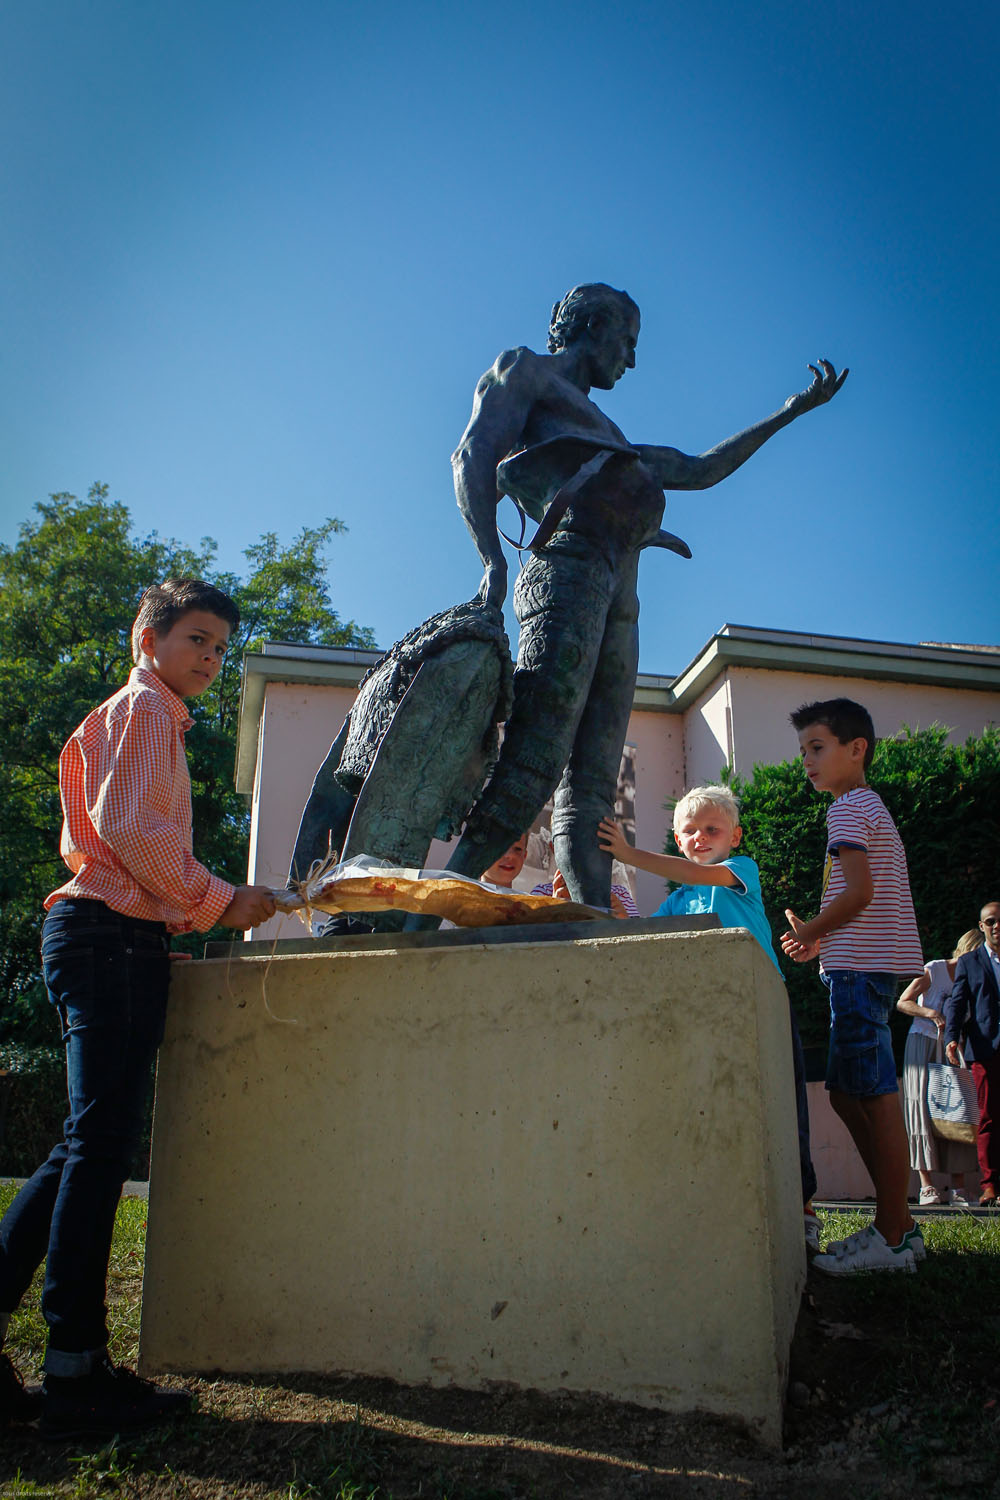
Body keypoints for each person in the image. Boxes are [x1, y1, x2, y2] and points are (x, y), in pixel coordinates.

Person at [444, 282, 847, 909]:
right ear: (591, 325)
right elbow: (472, 455)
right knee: (536, 755)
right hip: (566, 575)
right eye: (626, 341)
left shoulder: (612, 435)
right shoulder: (525, 371)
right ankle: (438, 902)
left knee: (593, 787)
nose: (630, 360)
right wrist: (491, 561)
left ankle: (595, 922)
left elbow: (700, 468)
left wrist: (791, 409)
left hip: (620, 602)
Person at [0, 579, 277, 1438]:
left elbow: (125, 833)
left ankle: (72, 1361)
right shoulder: (146, 710)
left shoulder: (139, 713)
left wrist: (179, 913)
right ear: (146, 637)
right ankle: (76, 1370)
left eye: (221, 648)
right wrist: (220, 899)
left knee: (86, 1143)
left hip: (107, 937)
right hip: (107, 937)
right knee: (99, 1147)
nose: (210, 658)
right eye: (198, 638)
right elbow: (129, 827)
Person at [599, 784, 819, 1249]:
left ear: (734, 838)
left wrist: (627, 853)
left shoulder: (740, 871)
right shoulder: (678, 901)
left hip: (762, 1003)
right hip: (713, 1014)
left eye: (712, 829)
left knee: (783, 1100)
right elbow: (647, 936)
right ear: (678, 841)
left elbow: (694, 875)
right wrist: (615, 914)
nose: (701, 837)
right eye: (690, 831)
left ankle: (803, 1208)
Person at [782, 699, 924, 1274]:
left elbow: (860, 893)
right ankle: (901, 1223)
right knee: (845, 1092)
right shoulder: (870, 806)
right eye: (803, 752)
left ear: (855, 748)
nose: (807, 762)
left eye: (817, 748)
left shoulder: (845, 811)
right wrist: (822, 941)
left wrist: (811, 932)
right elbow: (866, 896)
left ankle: (892, 1234)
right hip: (860, 965)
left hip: (859, 971)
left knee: (873, 1093)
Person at [897, 929, 983, 1206]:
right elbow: (903, 1002)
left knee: (958, 1110)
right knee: (920, 1108)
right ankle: (927, 1186)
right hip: (922, 1042)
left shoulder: (977, 979)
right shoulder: (935, 970)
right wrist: (931, 1013)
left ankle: (957, 1187)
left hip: (953, 1048)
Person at [944, 901, 1000, 1208]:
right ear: (982, 927)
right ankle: (990, 1185)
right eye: (990, 922)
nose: (996, 927)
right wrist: (952, 1037)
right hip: (985, 1048)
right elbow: (957, 1001)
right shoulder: (971, 962)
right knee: (989, 1118)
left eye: (999, 921)